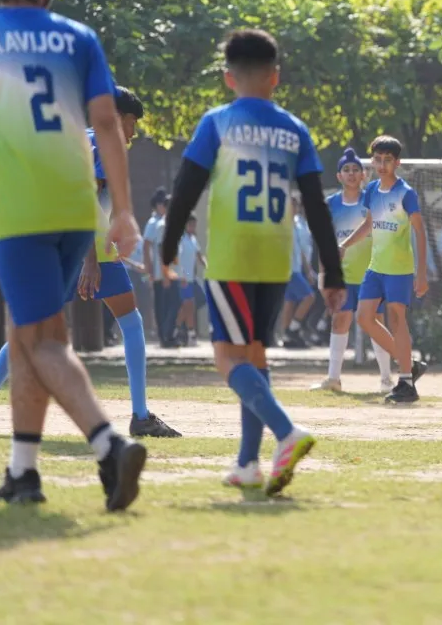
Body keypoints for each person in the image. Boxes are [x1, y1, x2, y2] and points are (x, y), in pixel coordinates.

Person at [0, 0, 147, 508]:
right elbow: (107, 125)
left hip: (20, 208)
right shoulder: (78, 37)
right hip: (75, 206)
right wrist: (125, 211)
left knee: (44, 342)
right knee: (34, 331)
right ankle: (23, 471)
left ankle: (109, 444)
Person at [162, 28, 346, 495]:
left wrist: (167, 249)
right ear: (275, 78)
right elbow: (317, 205)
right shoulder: (294, 129)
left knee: (227, 359)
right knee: (255, 356)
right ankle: (247, 462)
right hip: (274, 259)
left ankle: (286, 432)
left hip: (231, 258)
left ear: (228, 78)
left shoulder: (217, 122)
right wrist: (332, 270)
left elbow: (185, 188)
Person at [0, 86, 182, 437]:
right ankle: (140, 416)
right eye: (132, 122)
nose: (134, 132)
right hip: (75, 249)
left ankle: (141, 415)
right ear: (118, 117)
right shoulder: (102, 144)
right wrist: (91, 261)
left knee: (129, 322)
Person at [339, 135, 429, 403]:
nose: (381, 165)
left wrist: (421, 273)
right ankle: (409, 364)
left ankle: (406, 383)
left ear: (397, 162)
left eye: (387, 160)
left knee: (397, 320)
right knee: (364, 317)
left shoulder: (406, 193)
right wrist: (344, 244)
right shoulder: (372, 191)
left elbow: (420, 233)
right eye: (377, 159)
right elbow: (368, 224)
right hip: (375, 267)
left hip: (399, 270)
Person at [311, 147, 396, 392]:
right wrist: (323, 273)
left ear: (363, 175)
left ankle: (386, 380)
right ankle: (333, 379)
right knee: (340, 321)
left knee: (376, 323)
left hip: (372, 273)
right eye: (346, 170)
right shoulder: (330, 205)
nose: (350, 174)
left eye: (355, 170)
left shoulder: (373, 200)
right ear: (338, 176)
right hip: (342, 275)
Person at [280, 194, 316, 348]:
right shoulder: (281, 225)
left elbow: (300, 250)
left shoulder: (296, 225)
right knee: (309, 297)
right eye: (291, 205)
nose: (294, 208)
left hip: (296, 269)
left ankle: (288, 335)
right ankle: (292, 330)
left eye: (295, 205)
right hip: (287, 270)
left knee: (291, 302)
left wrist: (307, 270)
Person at [143, 188, 177, 347]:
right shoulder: (154, 223)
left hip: (169, 270)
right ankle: (165, 336)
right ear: (157, 205)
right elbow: (147, 246)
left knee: (171, 303)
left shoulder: (166, 221)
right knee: (163, 305)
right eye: (164, 203)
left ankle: (167, 334)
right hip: (160, 271)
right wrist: (149, 269)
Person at [175, 213, 206, 346]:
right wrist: (182, 275)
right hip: (184, 279)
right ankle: (190, 335)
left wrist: (207, 265)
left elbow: (200, 256)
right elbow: (178, 260)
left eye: (194, 225)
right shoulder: (181, 240)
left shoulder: (193, 239)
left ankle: (177, 329)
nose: (193, 227)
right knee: (189, 305)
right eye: (190, 224)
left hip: (192, 279)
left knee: (190, 305)